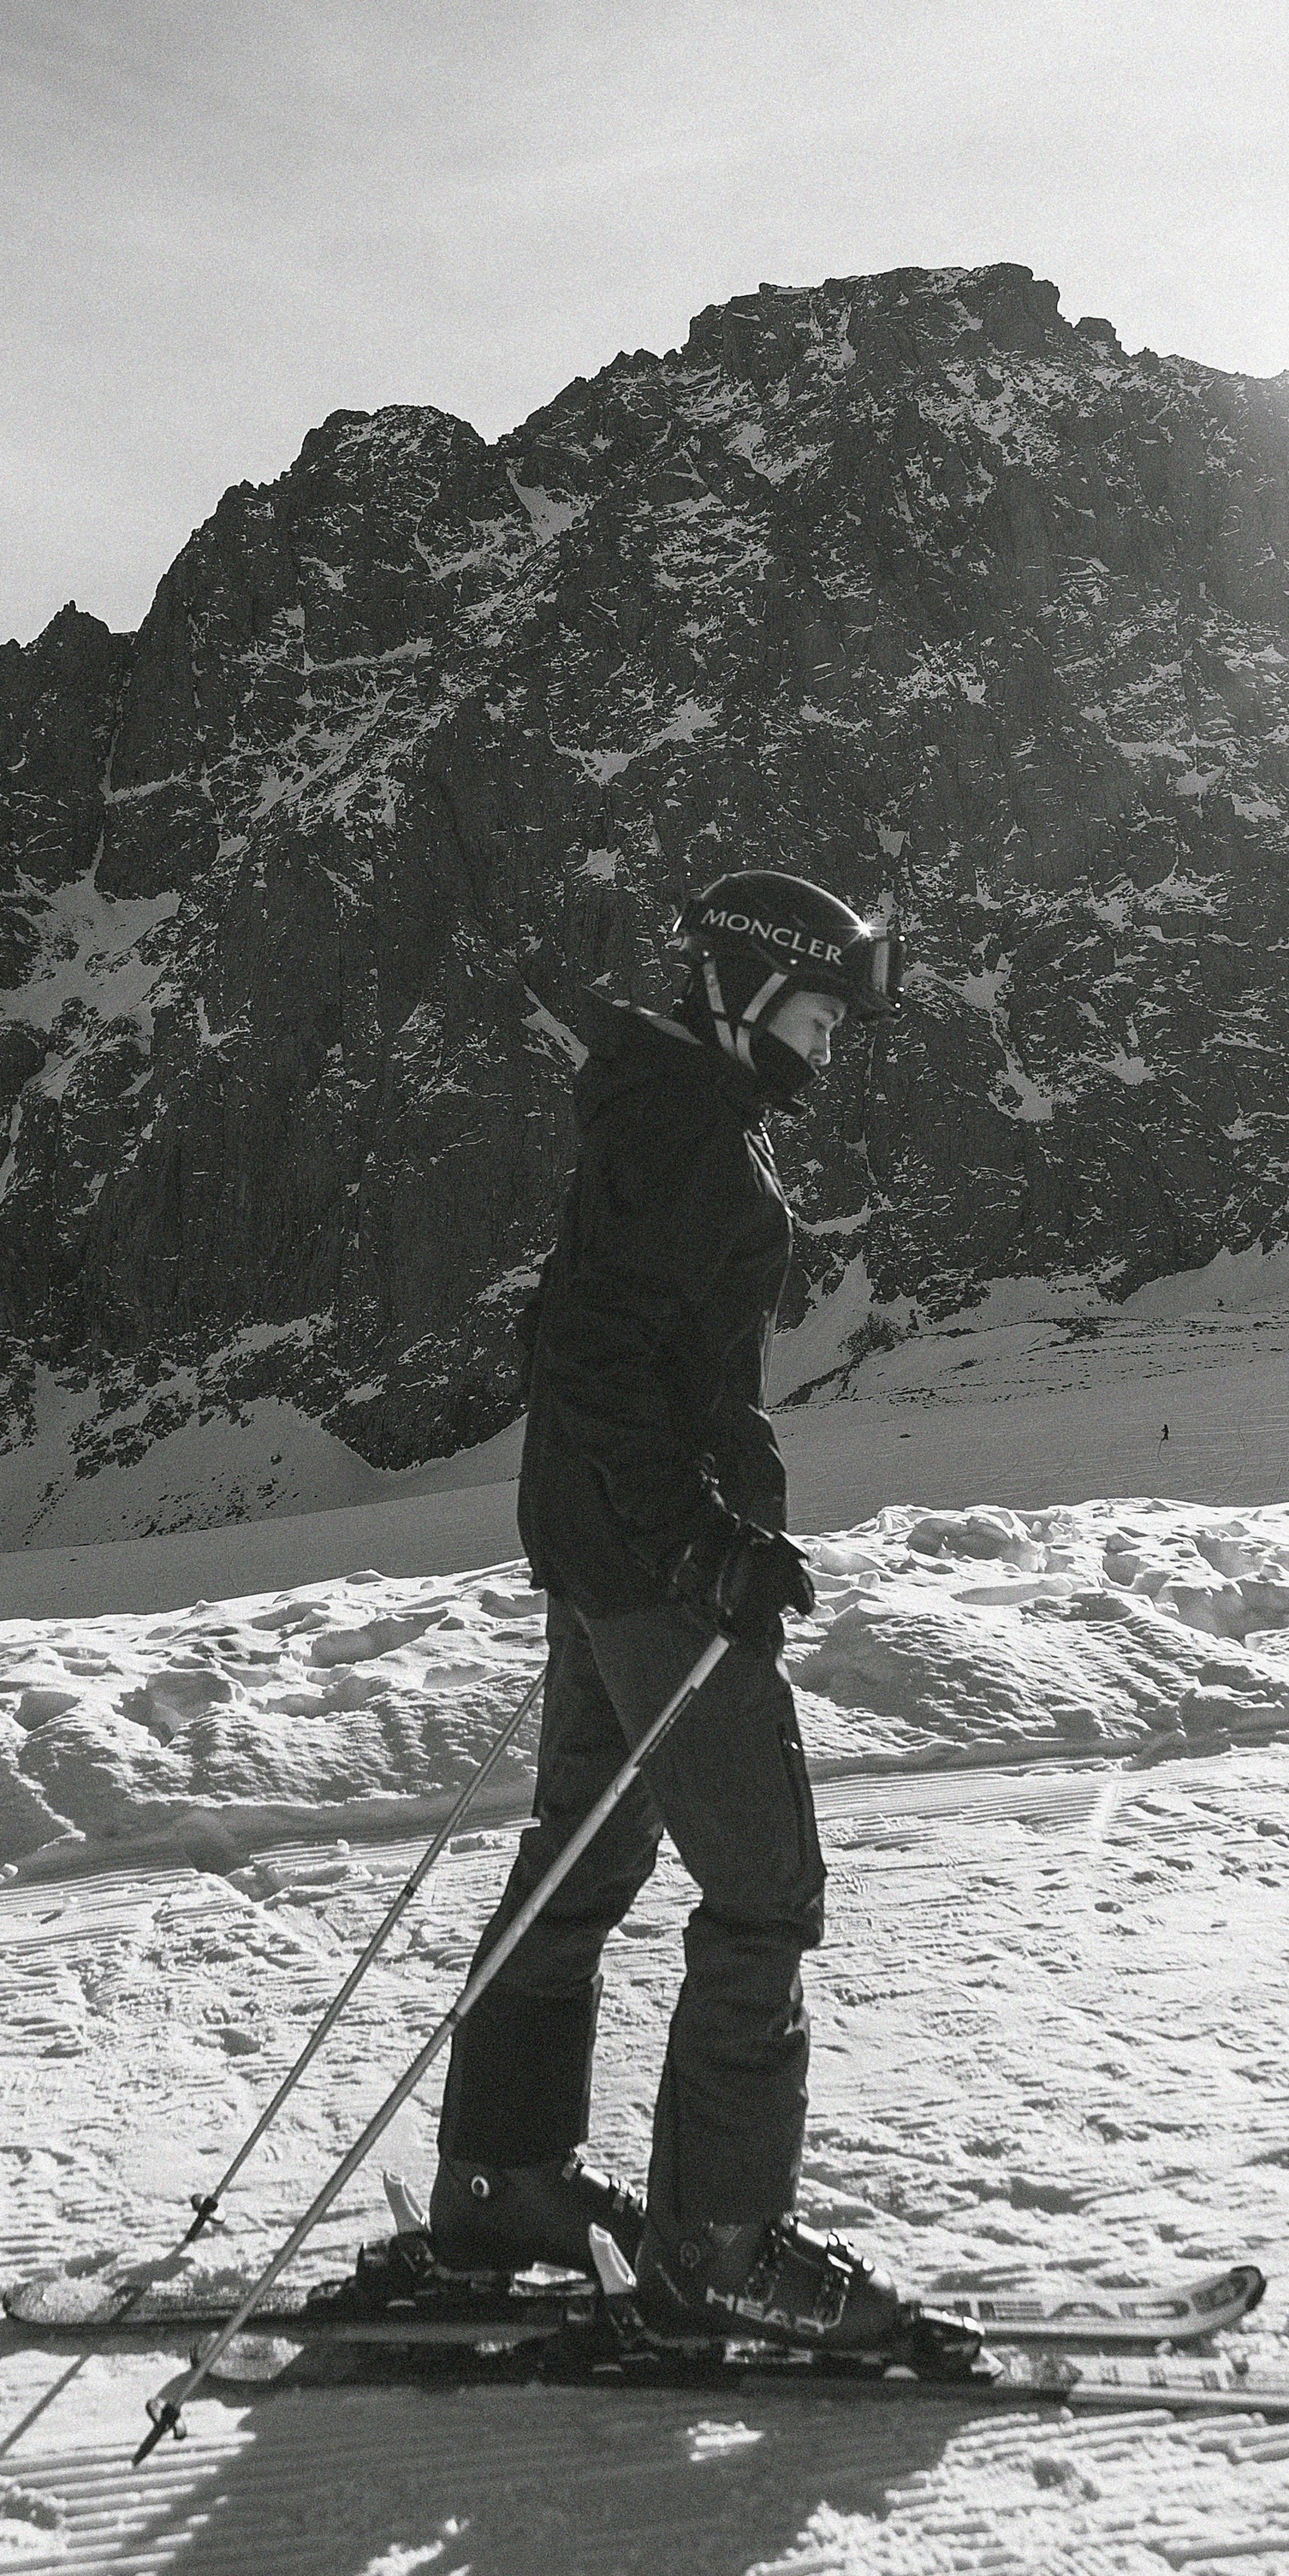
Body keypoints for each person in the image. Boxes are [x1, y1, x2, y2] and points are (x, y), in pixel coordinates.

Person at [431, 869, 905, 2347]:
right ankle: (717, 2252)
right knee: (763, 1889)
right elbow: (594, 1362)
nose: (830, 1052)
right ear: (755, 992)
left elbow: (632, 1367)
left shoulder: (674, 1111)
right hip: (649, 1575)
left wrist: (699, 1521)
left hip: (607, 1555)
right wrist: (705, 1544)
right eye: (822, 1017)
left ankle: (505, 2185)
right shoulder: (688, 1132)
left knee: (578, 1861)